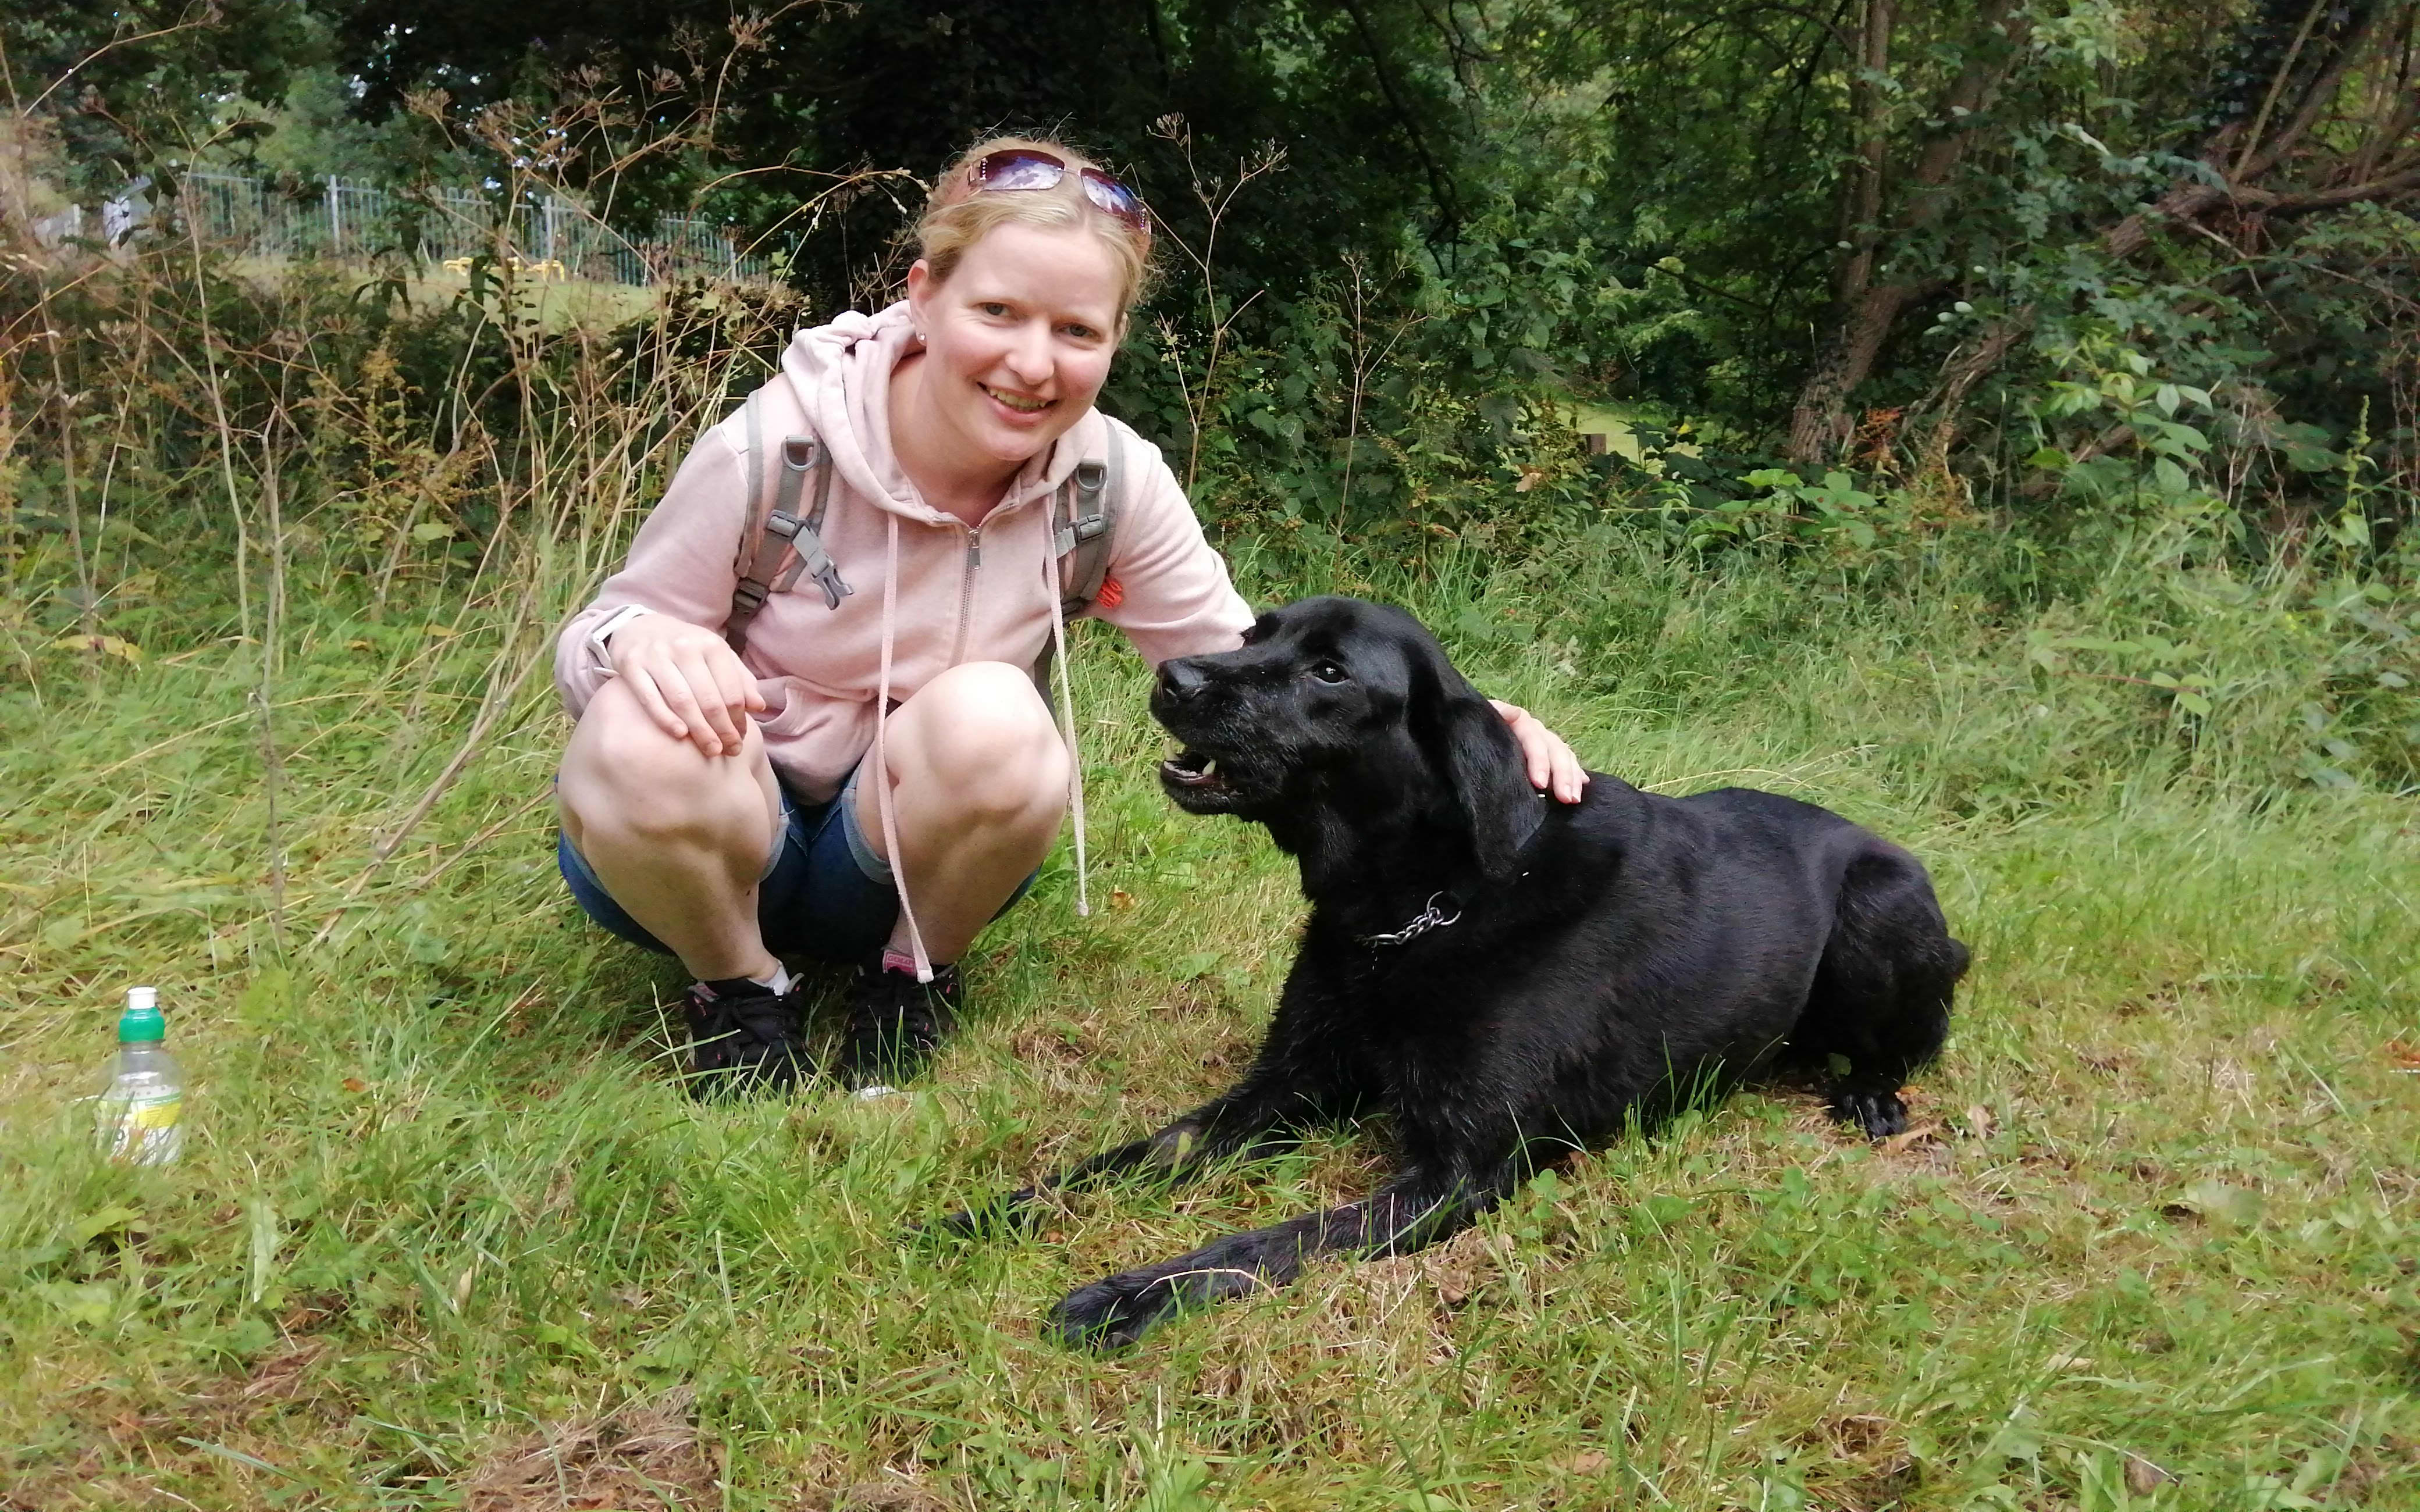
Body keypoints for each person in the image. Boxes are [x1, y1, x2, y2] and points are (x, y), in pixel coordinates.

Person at [552, 134, 1586, 1097]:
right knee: (640, 726)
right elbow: (602, 635)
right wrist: (646, 637)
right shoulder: (773, 450)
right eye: (998, 312)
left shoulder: (1109, 482)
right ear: (925, 295)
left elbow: (1238, 661)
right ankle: (738, 993)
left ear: (1114, 340)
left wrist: (1471, 725)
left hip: (915, 859)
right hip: (733, 844)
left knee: (999, 713)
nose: (1033, 364)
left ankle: (911, 980)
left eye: (1076, 331)